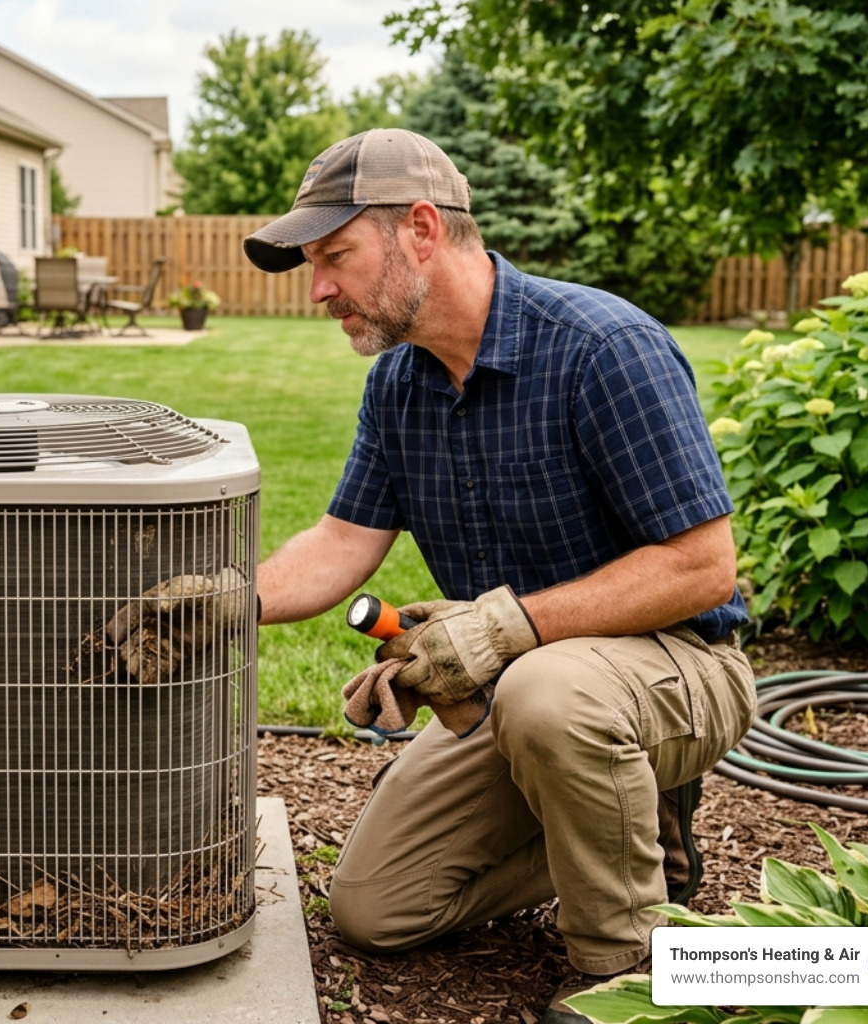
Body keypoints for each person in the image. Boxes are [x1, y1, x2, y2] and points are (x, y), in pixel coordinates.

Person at [241, 128, 758, 1022]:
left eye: (337, 256)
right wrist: (229, 600)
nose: (319, 288)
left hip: (676, 668)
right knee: (375, 908)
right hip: (518, 693)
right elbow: (339, 541)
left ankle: (628, 975)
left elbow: (704, 568)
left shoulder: (602, 348)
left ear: (422, 230)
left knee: (551, 695)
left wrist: (506, 629)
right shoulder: (400, 383)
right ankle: (636, 823)